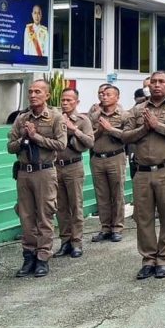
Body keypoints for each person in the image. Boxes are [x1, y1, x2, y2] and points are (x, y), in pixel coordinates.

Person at [121, 71, 165, 280]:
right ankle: (148, 260)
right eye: (153, 82)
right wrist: (144, 129)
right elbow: (125, 136)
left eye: (161, 82)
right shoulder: (138, 109)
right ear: (148, 85)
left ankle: (163, 260)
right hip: (142, 172)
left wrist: (157, 126)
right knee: (143, 218)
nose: (157, 85)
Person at [7, 79, 67, 278]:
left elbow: (61, 145)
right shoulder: (21, 118)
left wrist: (36, 138)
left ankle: (42, 257)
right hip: (24, 172)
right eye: (31, 91)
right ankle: (29, 256)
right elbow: (10, 147)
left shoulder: (55, 117)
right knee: (26, 216)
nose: (33, 95)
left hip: (44, 172)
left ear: (47, 95)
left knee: (44, 215)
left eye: (38, 92)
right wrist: (23, 138)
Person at [54, 87, 94, 259]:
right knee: (61, 207)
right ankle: (65, 241)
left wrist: (73, 129)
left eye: (69, 100)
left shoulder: (83, 120)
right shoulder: (55, 118)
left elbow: (90, 142)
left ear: (77, 102)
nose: (65, 103)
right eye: (63, 100)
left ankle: (76, 242)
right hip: (56, 166)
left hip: (73, 166)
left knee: (75, 205)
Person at [91, 84, 129, 243]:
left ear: (117, 97)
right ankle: (105, 227)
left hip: (115, 157)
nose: (104, 97)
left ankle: (117, 228)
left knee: (117, 194)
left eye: (108, 94)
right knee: (102, 194)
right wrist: (99, 130)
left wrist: (110, 129)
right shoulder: (95, 116)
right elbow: (88, 137)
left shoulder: (124, 115)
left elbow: (129, 136)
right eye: (102, 94)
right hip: (98, 158)